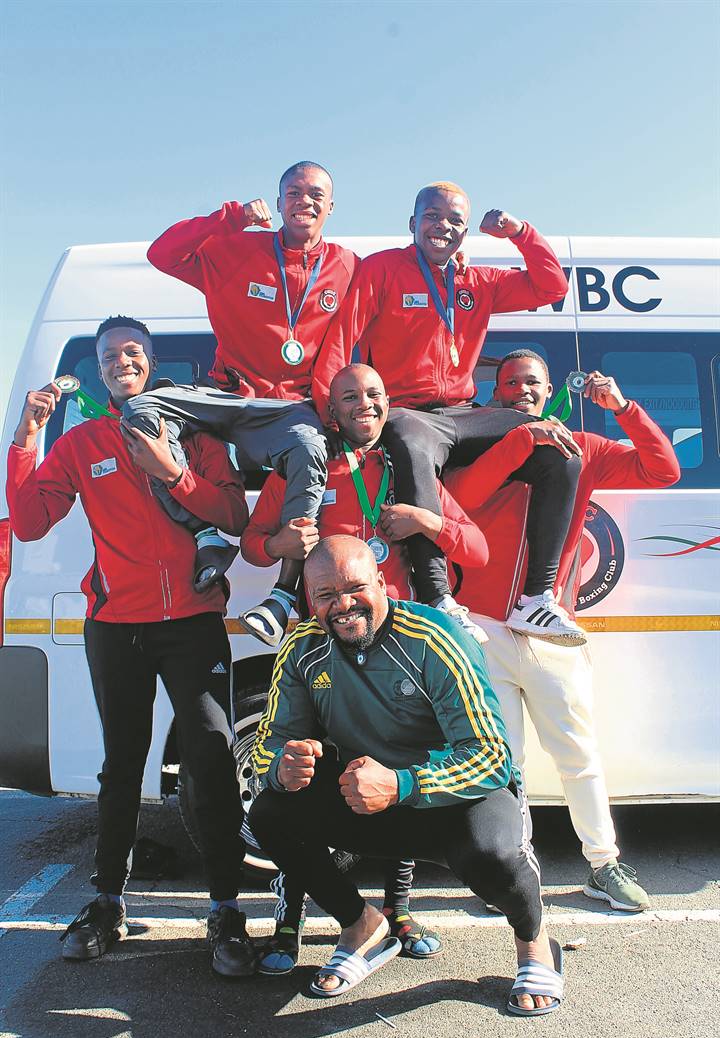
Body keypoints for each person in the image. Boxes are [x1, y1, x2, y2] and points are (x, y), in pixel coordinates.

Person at [6, 316, 257, 976]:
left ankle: (226, 908)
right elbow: (29, 523)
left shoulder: (194, 434)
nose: (122, 361)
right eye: (110, 355)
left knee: (211, 758)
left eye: (133, 352)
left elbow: (234, 516)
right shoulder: (83, 442)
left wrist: (172, 471)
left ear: (150, 363)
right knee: (122, 765)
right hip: (116, 626)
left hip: (192, 623)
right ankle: (108, 902)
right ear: (99, 371)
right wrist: (27, 437)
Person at [250, 536, 565, 1015]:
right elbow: (269, 742)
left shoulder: (434, 637)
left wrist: (403, 784)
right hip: (367, 798)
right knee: (270, 814)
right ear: (310, 600)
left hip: (451, 800)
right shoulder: (303, 647)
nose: (343, 605)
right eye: (326, 595)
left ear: (383, 583)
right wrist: (282, 766)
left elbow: (491, 756)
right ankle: (361, 926)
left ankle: (535, 943)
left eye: (355, 588)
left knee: (493, 854)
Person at [242, 363, 490, 971]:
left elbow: (478, 549)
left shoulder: (407, 469)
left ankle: (398, 909)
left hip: (400, 650)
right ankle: (290, 916)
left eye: (374, 394)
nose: (364, 405)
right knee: (301, 776)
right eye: (349, 396)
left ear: (388, 401)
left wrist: (426, 521)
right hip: (322, 650)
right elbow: (253, 542)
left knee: (396, 765)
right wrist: (278, 546)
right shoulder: (304, 468)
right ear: (331, 410)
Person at [445, 349, 681, 910]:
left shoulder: (585, 446)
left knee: (578, 754)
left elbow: (663, 470)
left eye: (532, 382)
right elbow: (459, 503)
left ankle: (603, 864)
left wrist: (622, 408)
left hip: (552, 628)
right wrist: (519, 444)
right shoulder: (474, 446)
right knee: (504, 761)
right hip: (482, 627)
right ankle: (513, 868)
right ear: (495, 394)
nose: (521, 390)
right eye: (509, 384)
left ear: (550, 390)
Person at [312, 182, 584, 645]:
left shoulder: (479, 281)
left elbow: (551, 285)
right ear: (412, 223)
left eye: (455, 220)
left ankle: (536, 600)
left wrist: (519, 232)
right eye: (433, 216)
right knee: (411, 442)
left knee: (558, 445)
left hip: (464, 413)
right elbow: (341, 340)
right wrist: (331, 416)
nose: (443, 226)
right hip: (406, 411)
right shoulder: (383, 269)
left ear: (465, 231)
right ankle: (438, 597)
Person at [133, 161, 360, 647]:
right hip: (226, 395)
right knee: (141, 410)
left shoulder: (347, 265)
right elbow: (162, 253)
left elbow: (394, 292)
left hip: (284, 411)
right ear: (278, 202)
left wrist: (450, 264)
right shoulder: (235, 248)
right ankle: (205, 535)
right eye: (294, 192)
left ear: (331, 206)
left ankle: (283, 594)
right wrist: (232, 216)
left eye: (316, 194)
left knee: (310, 445)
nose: (304, 201)